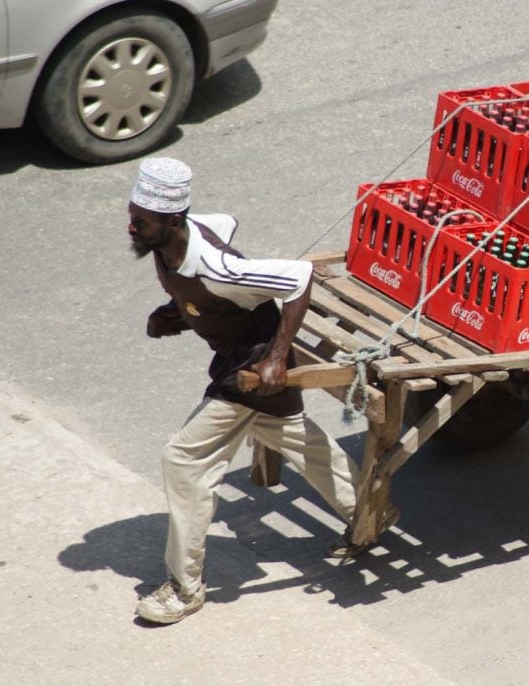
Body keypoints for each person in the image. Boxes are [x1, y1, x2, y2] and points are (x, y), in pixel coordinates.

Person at [126, 158, 397, 625]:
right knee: (290, 432)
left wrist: (275, 358)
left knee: (184, 459)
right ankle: (370, 511)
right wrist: (177, 311)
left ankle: (184, 588)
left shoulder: (214, 264)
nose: (132, 226)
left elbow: (297, 278)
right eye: (132, 215)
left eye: (141, 221)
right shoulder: (170, 241)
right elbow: (224, 223)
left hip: (251, 363)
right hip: (240, 353)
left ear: (172, 222)